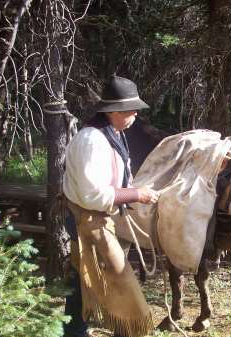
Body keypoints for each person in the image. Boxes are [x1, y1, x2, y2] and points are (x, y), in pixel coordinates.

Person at [62, 75, 159, 337]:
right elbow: (92, 195)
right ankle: (125, 330)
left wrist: (134, 192)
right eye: (131, 110)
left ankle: (75, 331)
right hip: (87, 221)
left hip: (99, 220)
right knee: (116, 279)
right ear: (114, 111)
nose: (136, 115)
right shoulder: (91, 140)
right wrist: (136, 194)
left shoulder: (113, 134)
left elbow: (119, 177)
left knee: (84, 281)